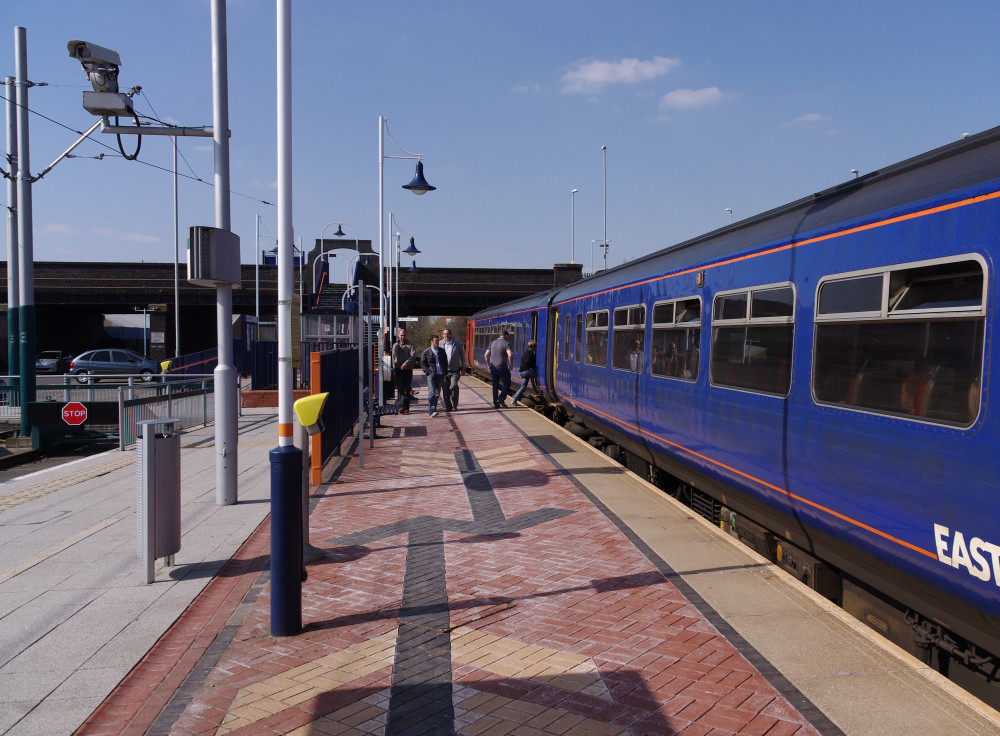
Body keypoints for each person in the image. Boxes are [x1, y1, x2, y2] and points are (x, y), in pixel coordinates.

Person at [420, 334, 449, 417]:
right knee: (432, 392)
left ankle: (434, 408)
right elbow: (423, 363)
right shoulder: (426, 352)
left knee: (437, 393)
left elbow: (445, 362)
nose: (438, 342)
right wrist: (428, 372)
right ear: (431, 341)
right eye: (436, 340)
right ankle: (432, 410)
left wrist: (445, 371)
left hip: (440, 374)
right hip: (431, 375)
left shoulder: (441, 351)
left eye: (438, 340)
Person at [440, 327, 467, 411]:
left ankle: (454, 405)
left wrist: (463, 367)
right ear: (442, 335)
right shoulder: (440, 343)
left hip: (455, 370)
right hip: (444, 371)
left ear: (451, 334)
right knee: (445, 389)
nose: (446, 335)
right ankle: (448, 406)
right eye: (445, 334)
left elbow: (462, 356)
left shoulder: (457, 343)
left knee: (454, 386)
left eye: (448, 333)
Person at [391, 327, 417, 414]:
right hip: (398, 370)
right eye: (401, 335)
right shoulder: (395, 345)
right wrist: (395, 367)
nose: (403, 337)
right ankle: (401, 406)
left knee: (407, 389)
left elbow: (413, 355)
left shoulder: (411, 344)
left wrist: (406, 363)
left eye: (404, 335)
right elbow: (393, 358)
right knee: (400, 388)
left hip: (408, 370)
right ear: (398, 335)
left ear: (406, 336)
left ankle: (406, 407)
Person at [484, 329, 513, 409]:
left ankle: (496, 403)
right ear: (506, 336)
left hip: (493, 367)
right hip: (502, 367)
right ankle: (501, 398)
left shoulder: (492, 343)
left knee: (495, 385)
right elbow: (510, 355)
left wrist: (488, 365)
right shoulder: (506, 343)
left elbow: (486, 355)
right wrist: (511, 364)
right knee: (507, 383)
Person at [511, 340, 539, 406]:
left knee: (523, 387)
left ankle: (514, 400)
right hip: (527, 371)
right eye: (535, 347)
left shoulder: (525, 352)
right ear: (533, 347)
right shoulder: (531, 353)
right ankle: (541, 388)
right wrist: (533, 366)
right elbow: (528, 361)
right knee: (538, 375)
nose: (536, 348)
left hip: (521, 372)